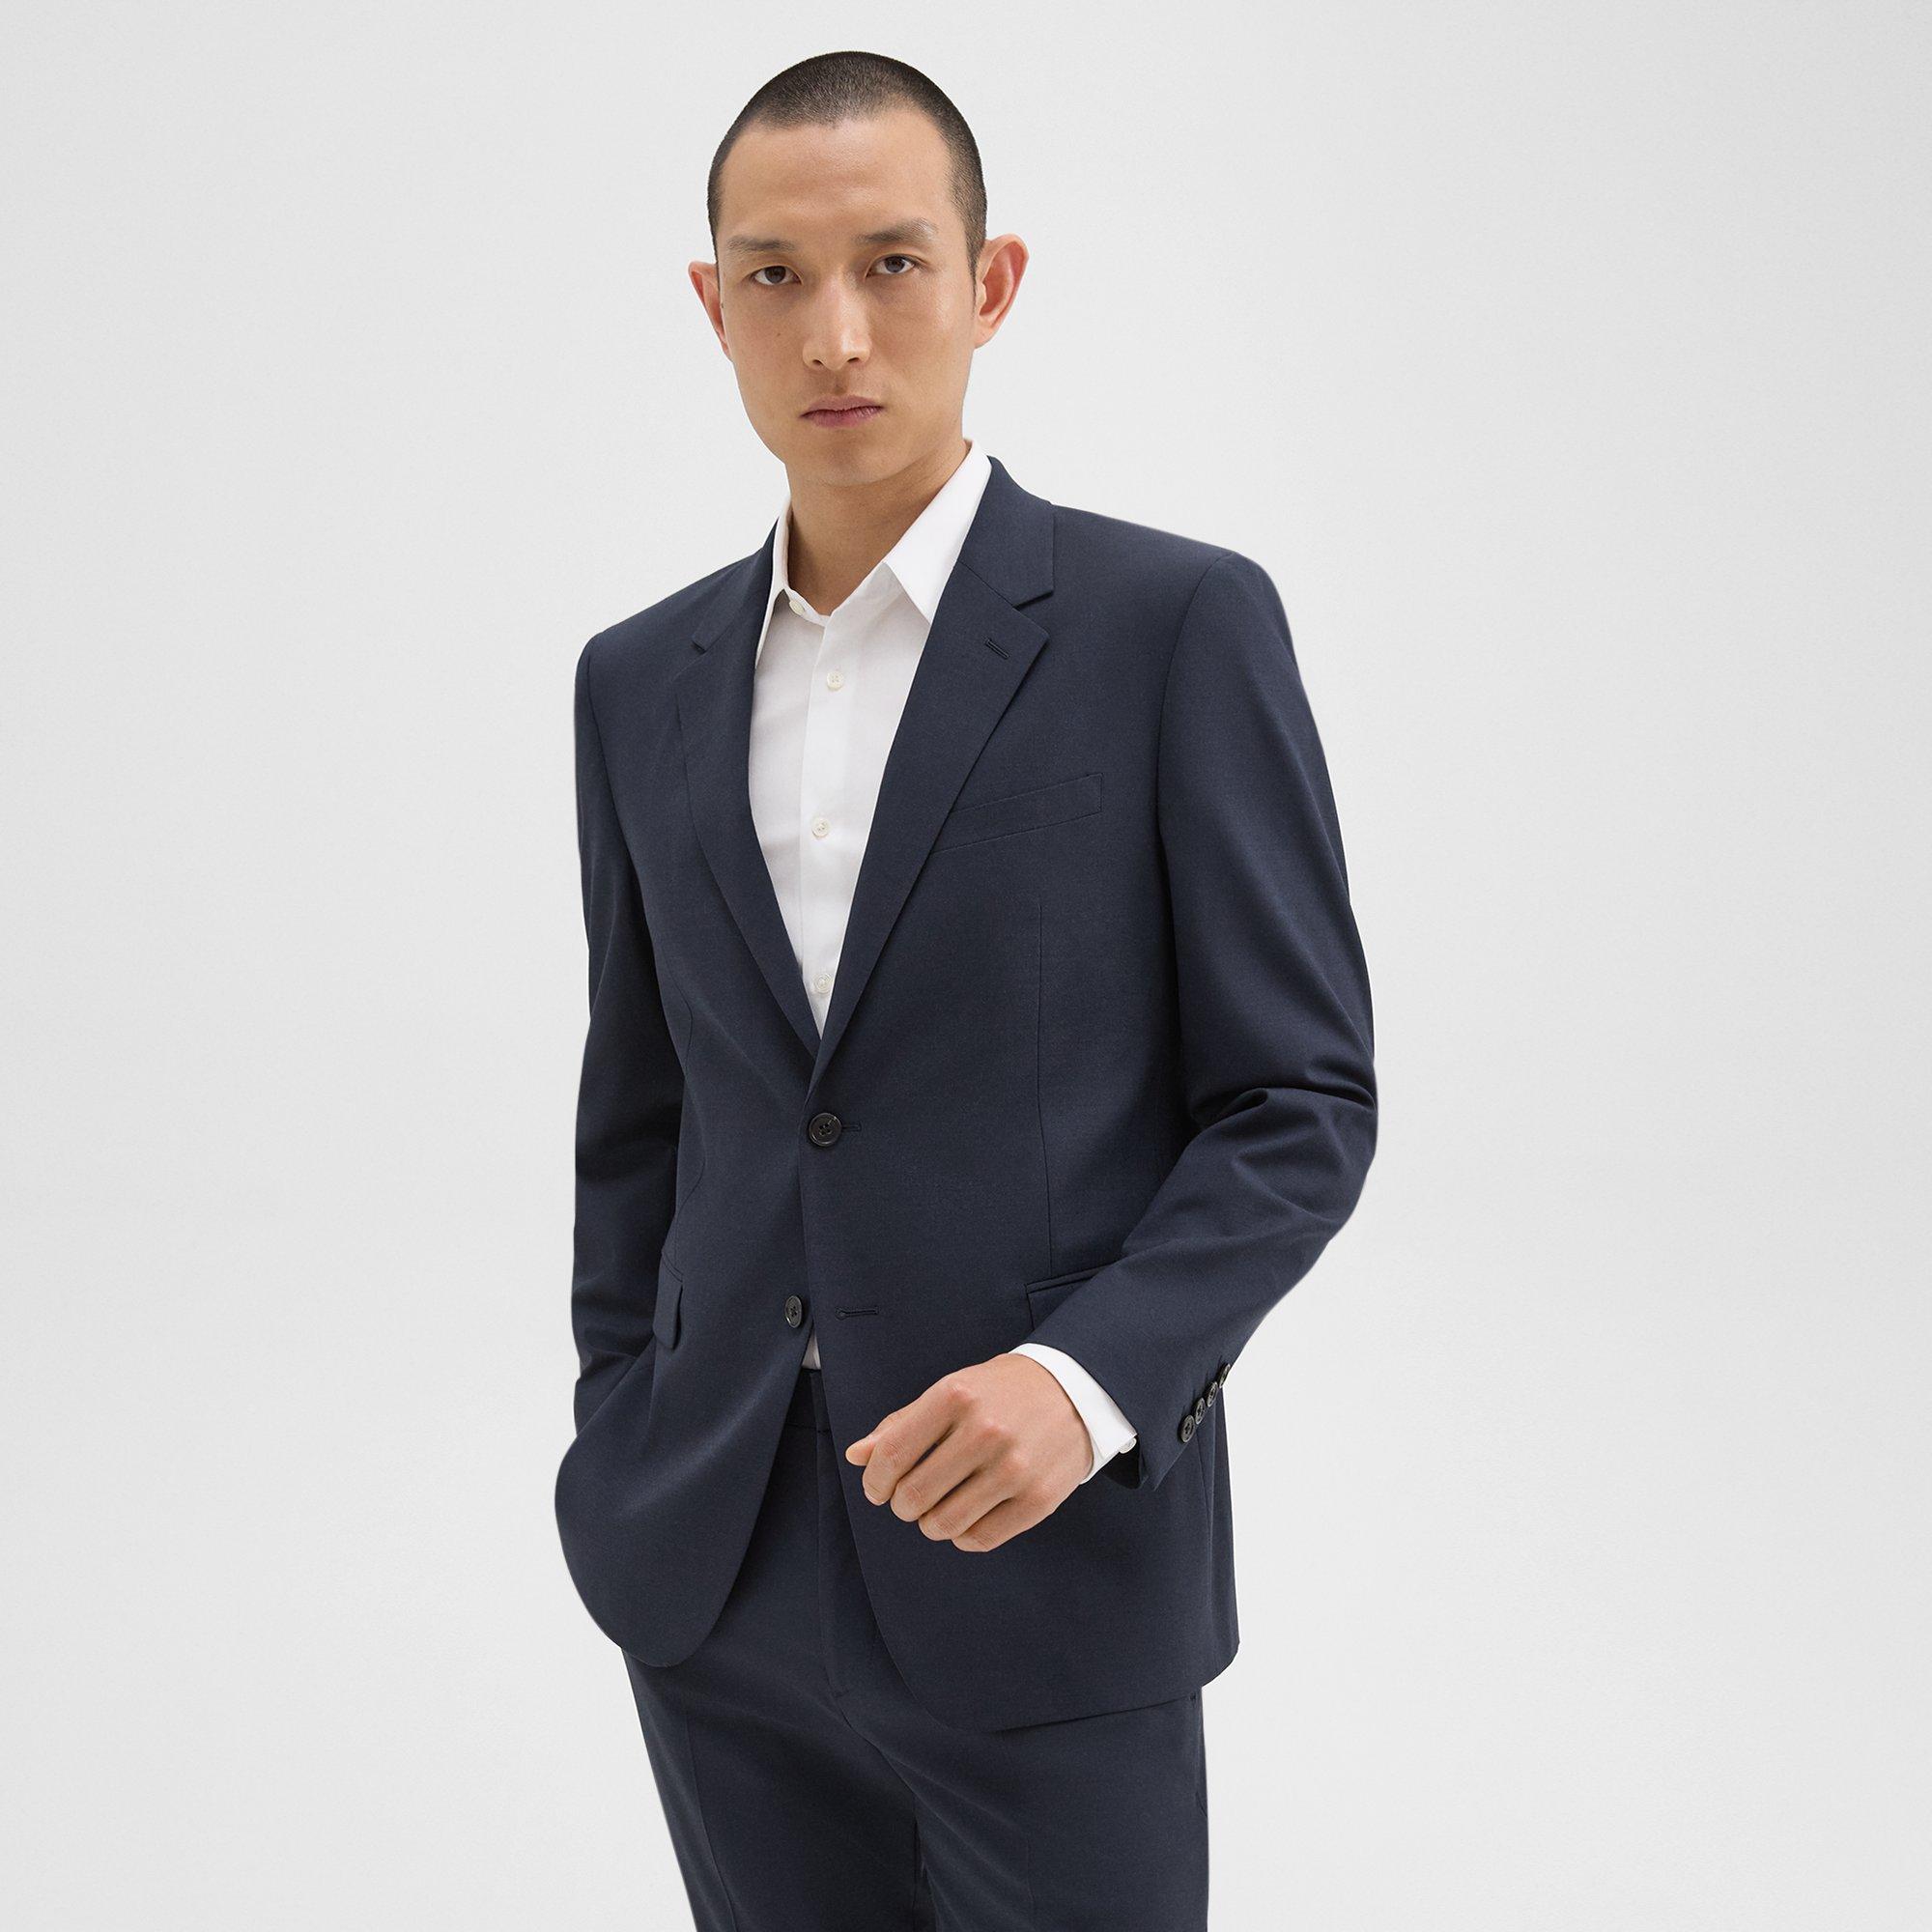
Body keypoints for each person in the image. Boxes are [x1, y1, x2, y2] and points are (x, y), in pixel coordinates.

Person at [554, 48, 1378, 1930]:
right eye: (774, 275)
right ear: (713, 307)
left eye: (893, 264)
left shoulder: (1172, 626)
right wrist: (622, 1425)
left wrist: (1086, 1383)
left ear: (989, 282)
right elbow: (643, 1111)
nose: (834, 331)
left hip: (1043, 1557)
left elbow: (1298, 1103)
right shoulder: (636, 680)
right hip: (712, 1564)